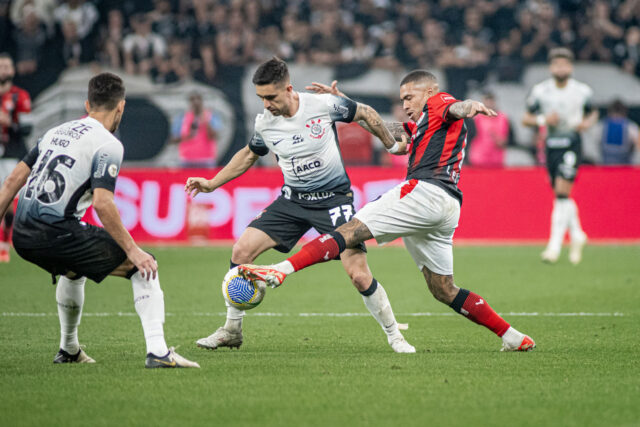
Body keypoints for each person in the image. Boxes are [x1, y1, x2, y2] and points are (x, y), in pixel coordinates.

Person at [239, 70, 536, 353]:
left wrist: (470, 106)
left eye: (409, 97)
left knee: (348, 231)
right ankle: (513, 336)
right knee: (443, 289)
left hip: (425, 192)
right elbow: (382, 127)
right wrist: (345, 103)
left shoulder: (438, 102)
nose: (404, 104)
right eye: (402, 99)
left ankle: (281, 270)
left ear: (429, 91)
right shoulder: (421, 125)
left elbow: (455, 108)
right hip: (446, 206)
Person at [185, 57, 415, 353]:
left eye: (270, 97)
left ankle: (395, 335)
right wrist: (212, 183)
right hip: (292, 201)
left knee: (358, 274)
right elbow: (248, 154)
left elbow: (366, 113)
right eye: (260, 98)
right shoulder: (265, 123)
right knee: (241, 251)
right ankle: (232, 329)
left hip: (333, 200)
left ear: (289, 89)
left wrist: (393, 145)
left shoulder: (322, 105)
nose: (266, 104)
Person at [0, 72, 199, 368]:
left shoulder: (54, 132)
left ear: (87, 104)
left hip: (23, 234)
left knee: (73, 270)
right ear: (121, 107)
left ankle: (69, 350)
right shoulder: (108, 144)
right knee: (143, 266)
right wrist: (134, 251)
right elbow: (104, 204)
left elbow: (14, 179)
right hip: (56, 232)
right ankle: (158, 352)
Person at [522, 48, 598, 265]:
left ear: (571, 67)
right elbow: (526, 118)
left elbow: (592, 112)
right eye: (557, 65)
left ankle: (554, 246)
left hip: (572, 143)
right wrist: (543, 120)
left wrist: (587, 123)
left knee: (562, 193)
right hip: (551, 145)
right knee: (559, 193)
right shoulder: (541, 91)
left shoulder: (582, 91)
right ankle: (578, 234)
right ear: (551, 67)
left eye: (564, 65)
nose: (561, 68)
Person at [0, 53, 31, 262]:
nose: (4, 69)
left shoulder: (20, 95)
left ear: (12, 70)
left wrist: (8, 122)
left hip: (10, 153)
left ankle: (4, 244)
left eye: (7, 66)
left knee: (8, 200)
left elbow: (28, 128)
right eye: (1, 66)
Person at [171, 92, 222, 167]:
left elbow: (214, 136)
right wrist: (188, 135)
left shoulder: (211, 116)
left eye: (198, 99)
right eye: (192, 100)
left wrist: (206, 122)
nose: (196, 102)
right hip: (186, 160)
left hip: (206, 160)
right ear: (189, 103)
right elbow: (173, 139)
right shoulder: (182, 117)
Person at [469, 91, 509, 167]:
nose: (489, 104)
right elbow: (470, 137)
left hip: (496, 159)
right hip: (478, 159)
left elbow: (507, 140)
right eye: (486, 102)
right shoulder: (476, 118)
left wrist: (500, 141)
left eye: (491, 102)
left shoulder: (503, 118)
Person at [600, 99, 640, 165]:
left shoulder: (600, 126)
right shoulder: (632, 127)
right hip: (625, 168)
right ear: (625, 113)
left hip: (606, 166)